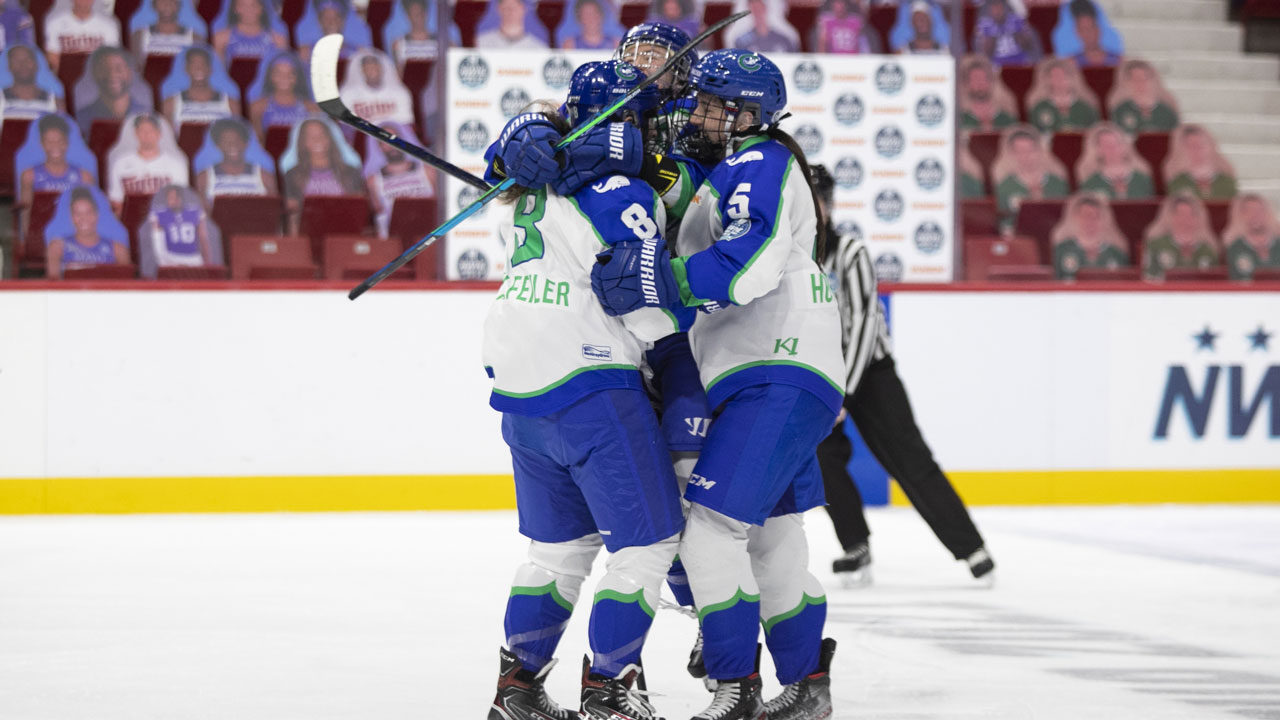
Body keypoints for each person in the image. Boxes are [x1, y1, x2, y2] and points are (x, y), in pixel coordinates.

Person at [591, 50, 842, 720]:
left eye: (710, 105)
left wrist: (661, 283)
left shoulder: (757, 161)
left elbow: (748, 265)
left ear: (748, 114)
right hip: (775, 373)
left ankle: (737, 690)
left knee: (708, 533)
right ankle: (806, 685)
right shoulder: (730, 169)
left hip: (775, 370)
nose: (697, 114)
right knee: (772, 540)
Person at [481, 62, 683, 720]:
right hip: (591, 379)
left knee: (558, 549)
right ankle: (610, 691)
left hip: (517, 380)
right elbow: (646, 313)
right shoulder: (628, 190)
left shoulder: (519, 187)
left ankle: (516, 689)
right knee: (648, 542)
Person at [808, 163, 995, 587]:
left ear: (830, 205)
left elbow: (864, 326)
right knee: (821, 459)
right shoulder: (791, 256)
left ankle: (972, 549)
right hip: (820, 374)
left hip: (868, 373)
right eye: (807, 197)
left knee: (909, 459)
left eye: (820, 199)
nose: (815, 207)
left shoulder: (850, 252)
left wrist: (842, 392)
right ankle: (856, 546)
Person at [280, 116, 366, 235]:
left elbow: (359, 211)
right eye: (310, 136)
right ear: (302, 141)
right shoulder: (293, 174)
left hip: (343, 233)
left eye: (322, 134)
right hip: (308, 234)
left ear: (330, 139)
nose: (317, 139)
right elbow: (292, 217)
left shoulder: (350, 172)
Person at [16, 113, 96, 238]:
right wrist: (28, 241)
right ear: (42, 143)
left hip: (74, 237)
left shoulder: (84, 177)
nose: (55, 146)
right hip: (40, 235)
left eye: (60, 141)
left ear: (67, 143)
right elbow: (26, 215)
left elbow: (91, 216)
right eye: (49, 141)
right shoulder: (29, 175)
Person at [106, 112, 190, 215]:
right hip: (131, 219)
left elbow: (181, 203)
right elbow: (116, 202)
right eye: (142, 130)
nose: (146, 135)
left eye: (151, 130)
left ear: (159, 133)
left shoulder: (176, 165)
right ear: (136, 133)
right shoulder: (120, 163)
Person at [363, 121, 433, 239]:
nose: (391, 144)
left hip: (427, 237)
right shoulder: (373, 181)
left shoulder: (428, 172)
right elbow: (376, 214)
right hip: (392, 241)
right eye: (384, 141)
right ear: (379, 147)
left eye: (395, 138)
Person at [992, 125, 1069, 231]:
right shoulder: (1005, 186)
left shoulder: (1056, 183)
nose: (1025, 156)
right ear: (1011, 154)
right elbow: (1003, 223)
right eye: (1019, 151)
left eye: (1031, 150)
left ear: (1040, 151)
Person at [44, 185, 130, 278]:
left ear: (96, 215)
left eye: (88, 212)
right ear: (71, 217)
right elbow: (53, 284)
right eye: (77, 213)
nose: (83, 218)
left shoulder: (118, 250)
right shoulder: (57, 247)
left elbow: (127, 285)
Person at [74, 46, 153, 138]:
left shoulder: (149, 116)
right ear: (94, 73)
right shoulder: (80, 120)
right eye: (104, 69)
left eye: (119, 69)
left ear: (129, 73)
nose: (112, 74)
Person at [194, 116, 277, 201]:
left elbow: (273, 209)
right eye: (226, 141)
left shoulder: (264, 177)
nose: (232, 145)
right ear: (217, 145)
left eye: (237, 140)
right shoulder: (204, 178)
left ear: (246, 143)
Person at [1050, 192, 1130, 280]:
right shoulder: (1062, 250)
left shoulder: (1116, 254)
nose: (1090, 222)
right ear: (1075, 219)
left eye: (1095, 217)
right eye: (1085, 216)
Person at [161, 44, 240, 131]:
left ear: (210, 69)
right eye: (193, 64)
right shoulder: (170, 104)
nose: (198, 68)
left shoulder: (231, 104)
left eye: (203, 64)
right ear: (186, 69)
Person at [1142, 192, 1221, 278]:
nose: (1185, 221)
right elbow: (1148, 280)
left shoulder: (1208, 250)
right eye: (1180, 215)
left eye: (1191, 215)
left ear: (1199, 219)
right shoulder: (1156, 246)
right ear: (1170, 217)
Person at [337, 48, 414, 131]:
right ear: (361, 70)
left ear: (382, 68)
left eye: (375, 67)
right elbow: (345, 127)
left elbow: (406, 124)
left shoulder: (399, 92)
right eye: (367, 67)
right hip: (361, 137)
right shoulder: (347, 93)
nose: (371, 71)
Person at [1075, 122, 1155, 199]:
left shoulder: (1141, 179)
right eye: (1106, 145)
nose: (1112, 148)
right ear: (1097, 150)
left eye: (1115, 144)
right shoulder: (1090, 184)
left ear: (1124, 146)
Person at [247, 49, 317, 135]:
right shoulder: (257, 107)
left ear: (298, 77)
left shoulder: (311, 109)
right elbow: (258, 141)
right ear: (270, 76)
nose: (284, 77)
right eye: (278, 73)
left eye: (291, 73)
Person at [1025, 57, 1100, 134]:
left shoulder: (1085, 107)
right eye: (1054, 76)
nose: (1059, 80)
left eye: (1063, 75)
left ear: (1072, 78)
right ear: (1047, 80)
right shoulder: (1039, 108)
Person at [1163, 124, 1238, 200]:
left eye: (1201, 144)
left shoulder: (1226, 182)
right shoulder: (1178, 184)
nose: (1197, 149)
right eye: (1190, 146)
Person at [43, 0, 121, 72]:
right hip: (67, 75)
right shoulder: (55, 24)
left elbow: (112, 58)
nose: (84, 1)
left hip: (97, 76)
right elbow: (53, 61)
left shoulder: (108, 26)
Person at [1107, 59, 1179, 134]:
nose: (1140, 83)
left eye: (1144, 78)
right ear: (1126, 83)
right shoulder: (1120, 111)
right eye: (1135, 79)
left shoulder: (1166, 112)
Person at [1222, 193, 1280, 280]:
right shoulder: (1234, 248)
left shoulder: (1277, 244)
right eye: (1248, 211)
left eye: (1259, 210)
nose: (1254, 215)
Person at [0, 43, 64, 119]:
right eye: (16, 60)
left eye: (27, 59)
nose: (23, 64)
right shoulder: (1, 98)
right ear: (9, 66)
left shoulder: (55, 101)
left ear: (36, 64)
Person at [211, 0, 288, 63]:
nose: (248, 10)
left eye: (254, 5)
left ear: (262, 8)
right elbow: (218, 72)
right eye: (242, 5)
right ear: (235, 8)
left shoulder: (278, 41)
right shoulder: (220, 39)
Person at [295, 0, 372, 63]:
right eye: (326, 18)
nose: (331, 22)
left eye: (336, 17)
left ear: (342, 21)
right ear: (319, 21)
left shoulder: (357, 53)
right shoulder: (308, 53)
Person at [959, 54, 1018, 132]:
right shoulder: (959, 120)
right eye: (975, 78)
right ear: (966, 84)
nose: (980, 83)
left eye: (985, 78)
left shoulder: (1006, 119)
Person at [973, 0, 1041, 67]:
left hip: (1020, 62)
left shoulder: (1016, 20)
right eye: (994, 9)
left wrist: (1017, 31)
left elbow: (1030, 46)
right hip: (996, 65)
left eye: (999, 8)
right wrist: (992, 34)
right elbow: (984, 53)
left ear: (1004, 8)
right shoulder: (983, 26)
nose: (997, 12)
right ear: (989, 10)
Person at [129, 0, 206, 59]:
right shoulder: (140, 35)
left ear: (178, 6)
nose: (167, 5)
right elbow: (136, 69)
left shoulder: (194, 38)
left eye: (172, 1)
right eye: (162, 1)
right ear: (154, 6)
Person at [1063, 0, 1121, 67]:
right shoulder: (1071, 64)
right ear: (1077, 33)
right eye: (1082, 30)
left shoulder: (1117, 62)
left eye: (1090, 28)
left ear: (1098, 30)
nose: (1087, 34)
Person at [728, 0, 800, 54]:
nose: (757, 13)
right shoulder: (741, 42)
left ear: (766, 9)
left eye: (760, 8)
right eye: (754, 9)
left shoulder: (784, 40)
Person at [475, 0, 549, 49]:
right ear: (498, 9)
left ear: (523, 9)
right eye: (506, 8)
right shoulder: (480, 44)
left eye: (514, 7)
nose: (510, 12)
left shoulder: (539, 49)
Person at [558, 0, 624, 50]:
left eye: (594, 13)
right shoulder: (569, 45)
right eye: (586, 14)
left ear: (601, 15)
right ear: (579, 18)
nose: (590, 18)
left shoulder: (616, 44)